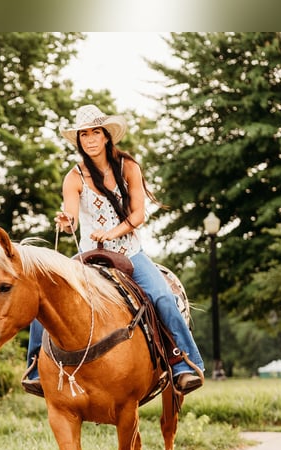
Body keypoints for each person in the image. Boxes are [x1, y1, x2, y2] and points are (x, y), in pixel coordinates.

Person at [24, 104, 204, 397]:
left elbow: (137, 215)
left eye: (96, 132)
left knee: (162, 296)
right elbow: (70, 217)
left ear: (107, 136)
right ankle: (35, 368)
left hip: (130, 253)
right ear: (79, 140)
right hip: (88, 259)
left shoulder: (128, 167)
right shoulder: (74, 177)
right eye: (84, 135)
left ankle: (184, 362)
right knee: (44, 293)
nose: (90, 139)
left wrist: (111, 233)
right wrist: (66, 222)